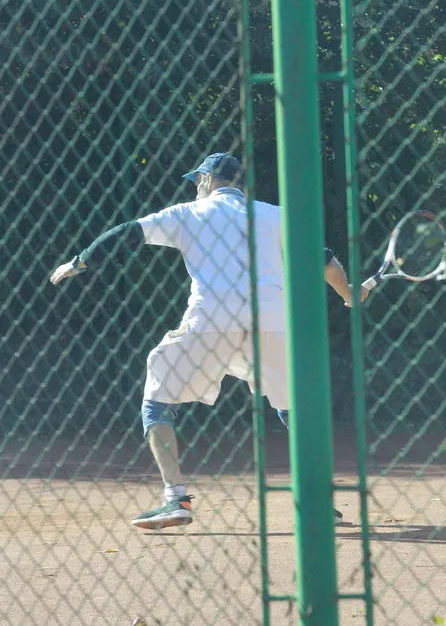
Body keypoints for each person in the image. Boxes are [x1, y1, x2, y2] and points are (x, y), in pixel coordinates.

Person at [50, 152, 368, 530]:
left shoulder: (188, 213)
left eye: (196, 181)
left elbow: (127, 232)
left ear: (205, 180)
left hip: (212, 319)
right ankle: (317, 501)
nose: (194, 187)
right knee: (293, 408)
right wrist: (348, 293)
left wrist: (79, 262)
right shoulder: (273, 214)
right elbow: (322, 258)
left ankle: (175, 498)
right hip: (271, 319)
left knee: (158, 396)